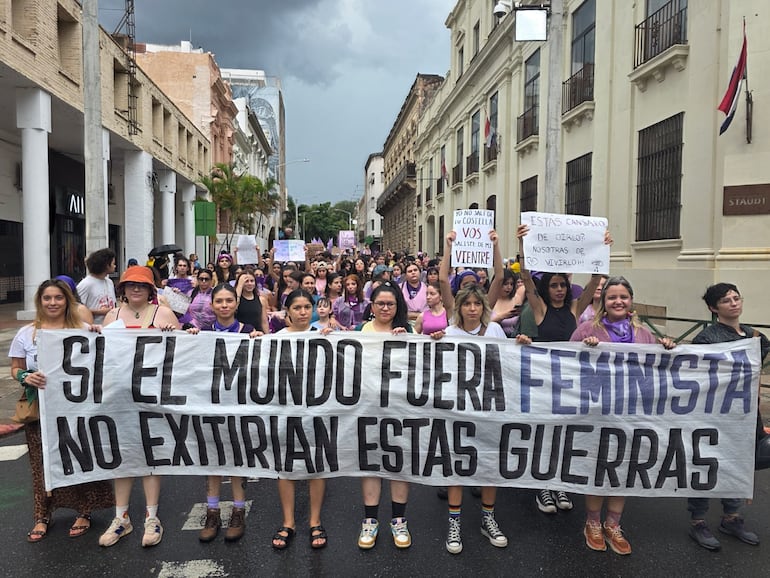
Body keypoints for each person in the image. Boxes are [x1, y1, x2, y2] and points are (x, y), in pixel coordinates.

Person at [571, 276, 676, 555]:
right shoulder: (586, 329)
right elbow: (566, 365)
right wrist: (584, 349)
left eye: (623, 297)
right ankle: (593, 523)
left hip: (632, 415)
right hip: (598, 414)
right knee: (599, 468)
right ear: (603, 302)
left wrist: (666, 348)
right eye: (612, 297)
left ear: (631, 300)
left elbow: (656, 370)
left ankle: (613, 524)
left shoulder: (644, 334)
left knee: (624, 469)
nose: (618, 301)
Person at [9, 279, 114, 543]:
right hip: (39, 406)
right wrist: (25, 376)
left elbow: (102, 357)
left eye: (58, 297)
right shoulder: (26, 334)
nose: (53, 303)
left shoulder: (81, 329)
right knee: (40, 461)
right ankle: (42, 514)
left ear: (67, 301)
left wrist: (97, 333)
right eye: (47, 298)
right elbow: (15, 368)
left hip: (74, 406)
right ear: (40, 301)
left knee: (78, 454)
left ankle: (84, 510)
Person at [516, 223, 607, 514]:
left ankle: (559, 483)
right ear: (547, 289)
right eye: (554, 285)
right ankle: (542, 486)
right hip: (543, 379)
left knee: (564, 432)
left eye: (562, 285)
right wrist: (522, 245)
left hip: (569, 380)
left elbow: (595, 280)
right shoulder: (540, 309)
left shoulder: (574, 309)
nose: (558, 290)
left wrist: (602, 248)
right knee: (544, 432)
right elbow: (526, 277)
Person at [435, 284, 531, 553]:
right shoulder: (449, 333)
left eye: (477, 304)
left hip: (489, 409)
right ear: (459, 307)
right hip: (458, 410)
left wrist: (521, 345)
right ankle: (454, 522)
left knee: (489, 464)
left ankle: (488, 518)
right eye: (467, 304)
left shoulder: (496, 331)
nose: (472, 309)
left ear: (484, 307)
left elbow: (509, 362)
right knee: (456, 465)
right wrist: (433, 342)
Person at [98, 266, 179, 548]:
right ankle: (121, 517)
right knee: (122, 456)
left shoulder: (163, 314)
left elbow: (182, 355)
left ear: (150, 290)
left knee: (150, 456)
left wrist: (173, 334)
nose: (136, 289)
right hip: (119, 398)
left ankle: (151, 516)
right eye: (131, 285)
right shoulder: (112, 317)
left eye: (142, 285)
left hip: (152, 398)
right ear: (122, 289)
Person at [686, 282, 769, 551]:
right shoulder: (706, 339)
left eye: (736, 298)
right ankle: (698, 520)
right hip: (714, 413)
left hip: (744, 413)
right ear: (713, 308)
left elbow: (756, 373)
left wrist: (755, 401)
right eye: (726, 300)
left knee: (738, 462)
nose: (733, 303)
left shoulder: (756, 337)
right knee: (707, 463)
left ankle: (731, 517)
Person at [188, 283, 259, 543]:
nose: (224, 305)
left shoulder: (248, 331)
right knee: (213, 459)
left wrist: (259, 341)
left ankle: (238, 511)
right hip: (211, 405)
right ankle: (212, 511)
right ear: (212, 305)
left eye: (229, 300)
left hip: (239, 405)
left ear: (236, 304)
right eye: (219, 301)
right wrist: (189, 340)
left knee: (236, 458)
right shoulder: (203, 332)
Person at [271, 290, 333, 550]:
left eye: (307, 306)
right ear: (287, 311)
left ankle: (314, 520)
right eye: (297, 307)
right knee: (286, 466)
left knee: (316, 464)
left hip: (316, 411)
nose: (303, 312)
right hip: (285, 410)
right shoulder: (276, 339)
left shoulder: (324, 336)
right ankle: (288, 521)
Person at [356, 282, 413, 549]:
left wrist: (410, 339)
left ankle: (399, 520)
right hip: (369, 406)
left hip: (400, 407)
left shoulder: (408, 330)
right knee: (371, 462)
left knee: (398, 462)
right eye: (381, 303)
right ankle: (370, 520)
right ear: (372, 305)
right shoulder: (363, 330)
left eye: (391, 304)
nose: (386, 308)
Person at [77, 247, 116, 324]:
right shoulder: (85, 284)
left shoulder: (109, 282)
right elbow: (76, 309)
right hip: (93, 326)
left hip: (110, 326)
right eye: (113, 263)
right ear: (106, 265)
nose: (115, 266)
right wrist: (99, 312)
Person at [490, 269, 526, 337]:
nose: (509, 287)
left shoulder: (517, 298)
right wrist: (501, 317)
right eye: (505, 284)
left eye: (511, 284)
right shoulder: (489, 300)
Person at [235, 268, 268, 334]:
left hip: (257, 334)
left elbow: (264, 322)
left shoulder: (261, 300)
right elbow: (234, 306)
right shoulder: (236, 299)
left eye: (252, 281)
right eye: (246, 281)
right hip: (240, 334)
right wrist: (240, 285)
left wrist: (268, 336)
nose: (249, 284)